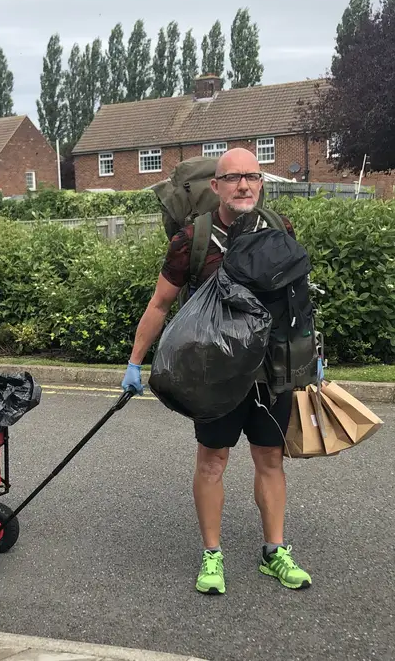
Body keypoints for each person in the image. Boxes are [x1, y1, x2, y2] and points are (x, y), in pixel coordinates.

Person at [122, 148, 311, 595]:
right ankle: (212, 555)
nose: (243, 185)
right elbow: (160, 304)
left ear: (261, 183)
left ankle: (274, 552)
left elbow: (297, 298)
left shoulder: (280, 231)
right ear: (216, 186)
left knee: (269, 459)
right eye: (233, 179)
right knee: (212, 461)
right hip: (215, 375)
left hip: (270, 372)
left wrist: (310, 354)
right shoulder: (192, 239)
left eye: (251, 177)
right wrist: (134, 362)